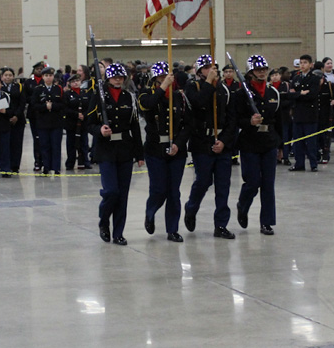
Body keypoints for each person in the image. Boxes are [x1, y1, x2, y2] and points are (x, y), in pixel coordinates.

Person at [88, 62, 144, 245]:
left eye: (121, 77)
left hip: (125, 149)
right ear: (108, 78)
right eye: (115, 77)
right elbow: (89, 123)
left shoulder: (129, 97)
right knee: (111, 191)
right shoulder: (99, 96)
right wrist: (99, 130)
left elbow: (135, 126)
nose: (118, 80)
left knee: (123, 194)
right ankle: (104, 220)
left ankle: (118, 232)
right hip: (106, 150)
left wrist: (140, 154)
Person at [184, 54, 237, 238]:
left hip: (221, 142)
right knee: (204, 181)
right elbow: (198, 103)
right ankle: (191, 208)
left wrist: (224, 141)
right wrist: (208, 83)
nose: (211, 70)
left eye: (213, 67)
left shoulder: (225, 90)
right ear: (199, 71)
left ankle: (221, 225)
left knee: (223, 185)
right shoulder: (194, 86)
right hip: (202, 142)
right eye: (206, 67)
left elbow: (232, 120)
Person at [138, 61, 191, 242]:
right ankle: (150, 212)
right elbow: (147, 106)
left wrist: (179, 143)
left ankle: (173, 229)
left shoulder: (179, 97)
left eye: (166, 77)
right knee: (159, 189)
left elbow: (187, 124)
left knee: (174, 192)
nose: (164, 80)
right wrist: (162, 88)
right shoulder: (146, 94)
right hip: (155, 149)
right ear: (154, 79)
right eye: (160, 77)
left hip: (177, 149)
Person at [235, 54, 283, 235]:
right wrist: (249, 122)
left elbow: (279, 122)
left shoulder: (273, 93)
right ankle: (243, 205)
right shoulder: (242, 94)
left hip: (269, 142)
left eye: (264, 69)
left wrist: (280, 146)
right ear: (250, 73)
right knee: (253, 182)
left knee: (268, 184)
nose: (262, 73)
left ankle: (267, 222)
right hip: (250, 143)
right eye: (258, 70)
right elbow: (236, 120)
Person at [289, 54, 321, 171]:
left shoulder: (314, 78)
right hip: (298, 113)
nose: (302, 65)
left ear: (311, 65)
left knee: (311, 141)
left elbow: (312, 95)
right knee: (298, 141)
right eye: (301, 63)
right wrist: (300, 93)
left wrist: (298, 94)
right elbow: (291, 94)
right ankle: (299, 164)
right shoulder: (296, 78)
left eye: (305, 63)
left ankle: (313, 164)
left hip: (310, 114)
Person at [32, 67, 64, 176]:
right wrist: (45, 107)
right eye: (46, 76)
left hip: (56, 122)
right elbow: (34, 105)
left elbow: (63, 104)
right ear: (43, 77)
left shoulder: (58, 89)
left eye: (50, 75)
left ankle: (56, 168)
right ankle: (46, 167)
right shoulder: (38, 89)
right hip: (43, 122)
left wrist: (53, 106)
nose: (48, 78)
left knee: (56, 145)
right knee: (44, 145)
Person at [1, 68, 28, 174]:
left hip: (18, 120)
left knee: (17, 143)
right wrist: (8, 115)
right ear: (2, 76)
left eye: (10, 75)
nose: (8, 77)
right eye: (5, 75)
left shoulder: (19, 87)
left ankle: (15, 165)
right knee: (5, 144)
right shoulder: (0, 87)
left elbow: (22, 103)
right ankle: (4, 165)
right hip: (4, 119)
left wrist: (16, 116)